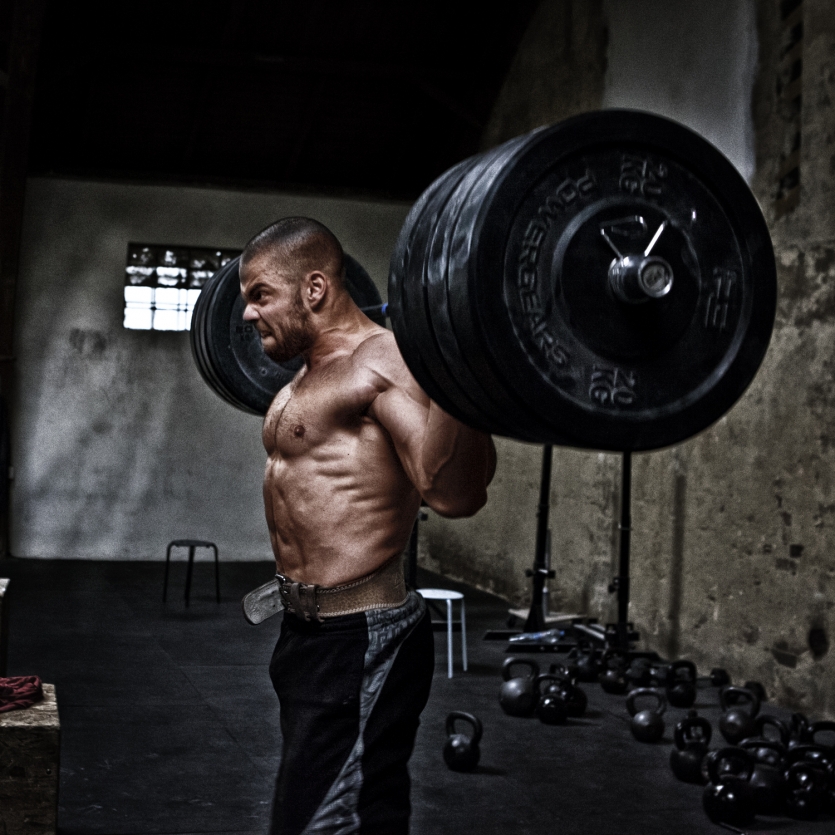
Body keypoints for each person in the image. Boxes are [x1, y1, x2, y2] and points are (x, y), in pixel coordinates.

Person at [238, 217, 496, 835]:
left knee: (329, 821)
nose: (246, 314)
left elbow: (453, 492)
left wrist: (457, 362)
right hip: (307, 637)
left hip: (361, 637)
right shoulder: (307, 375)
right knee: (342, 815)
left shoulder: (381, 359)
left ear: (315, 288)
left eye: (260, 295)